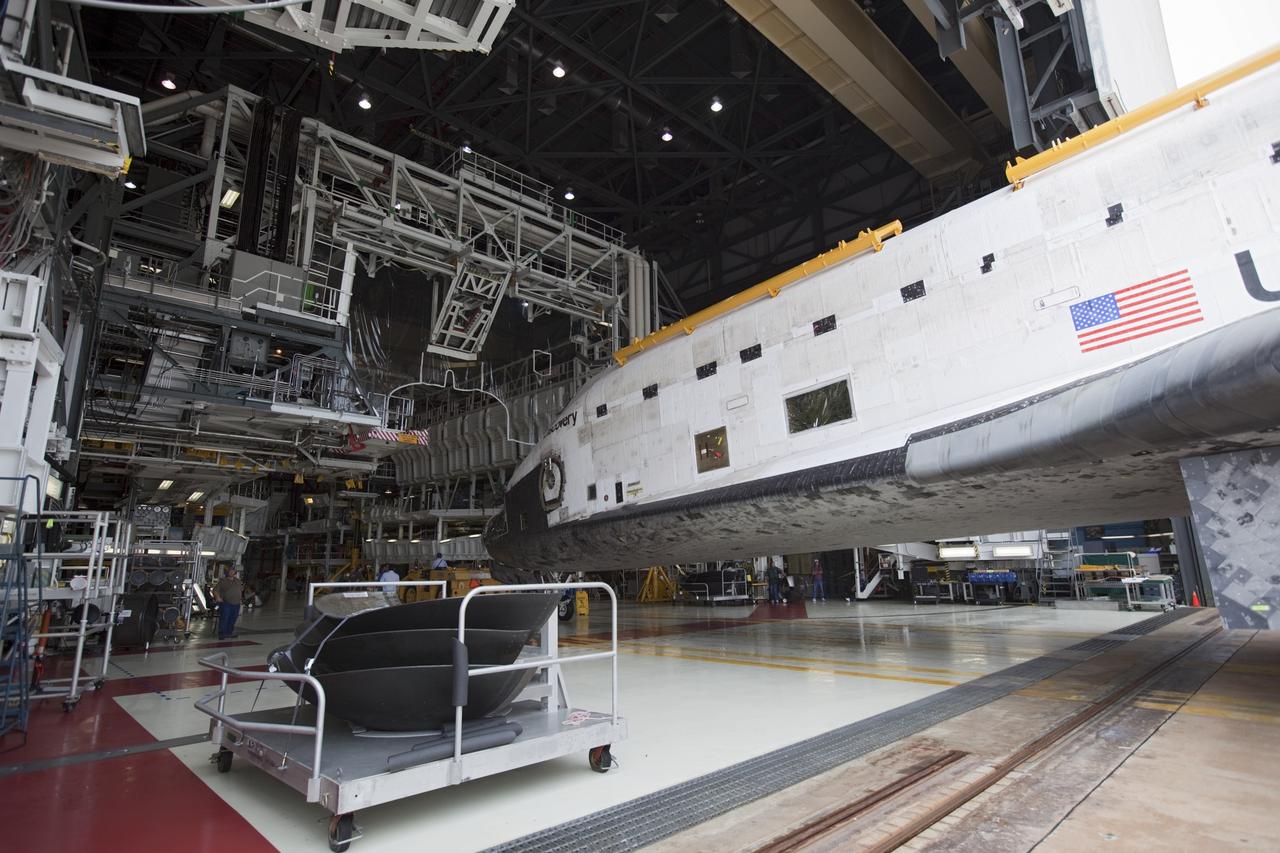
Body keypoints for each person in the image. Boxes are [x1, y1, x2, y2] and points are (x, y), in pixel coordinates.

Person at [214, 568, 244, 640]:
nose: (232, 572)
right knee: (224, 618)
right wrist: (218, 597)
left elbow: (241, 590)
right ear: (228, 572)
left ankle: (229, 633)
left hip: (236, 603)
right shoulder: (223, 581)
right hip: (226, 603)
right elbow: (215, 590)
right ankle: (222, 633)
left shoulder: (238, 581)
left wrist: (241, 599)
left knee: (233, 618)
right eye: (230, 571)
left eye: (233, 571)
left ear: (235, 573)